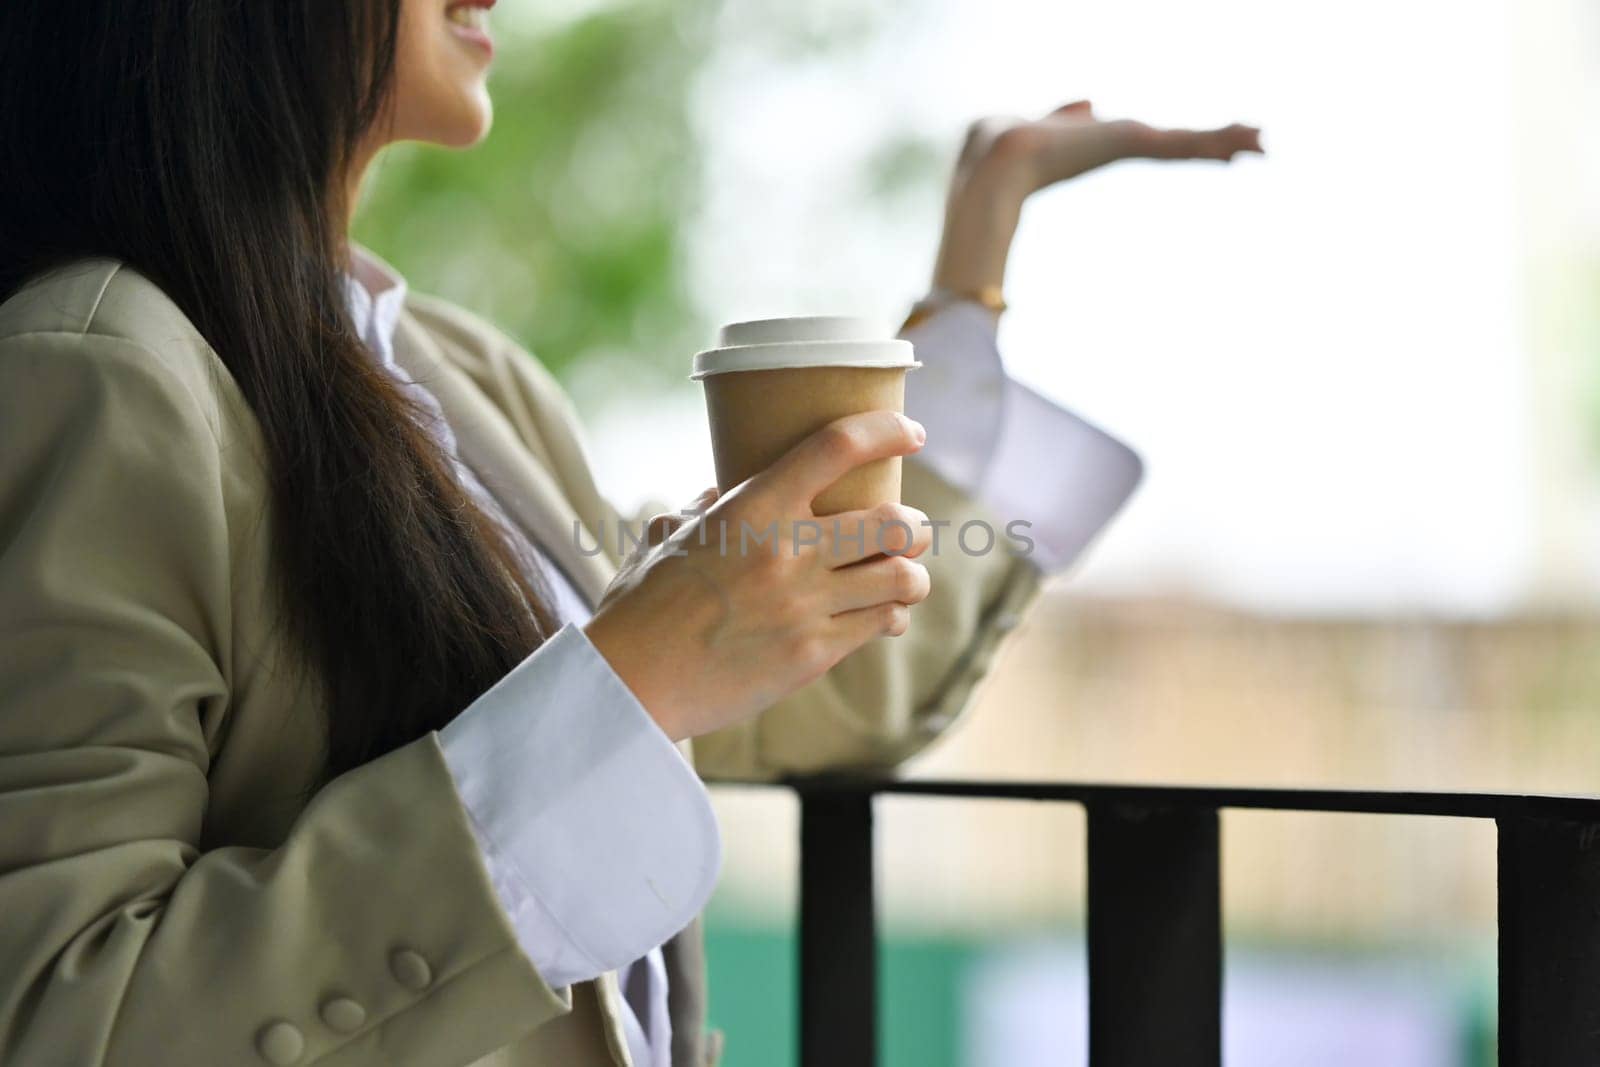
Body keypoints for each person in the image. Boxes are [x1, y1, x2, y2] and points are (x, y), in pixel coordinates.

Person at [0, 2, 1260, 1064]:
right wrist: (632, 674)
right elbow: (58, 1009)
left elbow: (812, 692)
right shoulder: (104, 369)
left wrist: (975, 254)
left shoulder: (456, 374)